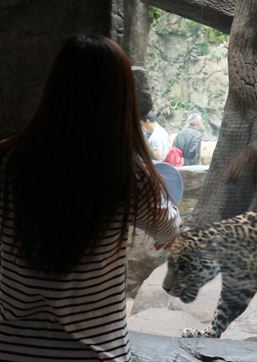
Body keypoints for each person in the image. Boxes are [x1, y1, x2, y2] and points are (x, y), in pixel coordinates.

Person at [0, 35, 181, 361]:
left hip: (11, 347)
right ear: (121, 97)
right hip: (95, 352)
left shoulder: (10, 161)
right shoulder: (129, 174)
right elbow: (169, 228)